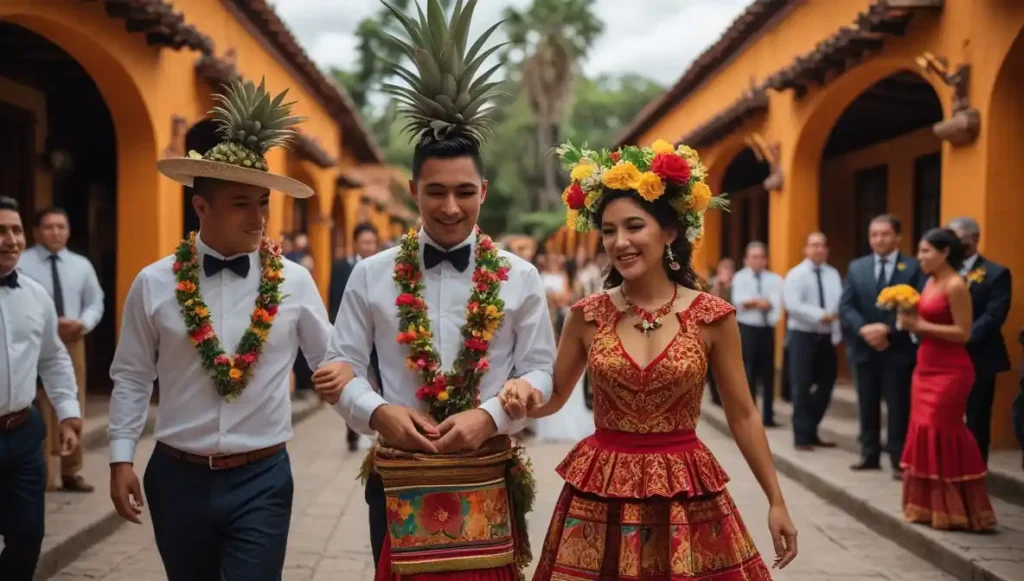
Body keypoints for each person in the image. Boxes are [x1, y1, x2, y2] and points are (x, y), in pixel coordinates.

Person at [313, 3, 557, 578]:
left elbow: (541, 371)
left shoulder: (520, 276)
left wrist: (493, 414)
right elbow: (339, 364)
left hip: (488, 471)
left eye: (465, 192)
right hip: (397, 471)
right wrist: (377, 412)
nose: (452, 208)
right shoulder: (371, 274)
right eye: (436, 192)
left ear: (484, 190)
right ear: (412, 189)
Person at [502, 138, 797, 579]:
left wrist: (776, 500)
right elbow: (555, 395)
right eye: (608, 230)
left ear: (670, 232)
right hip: (600, 492)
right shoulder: (586, 316)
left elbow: (744, 414)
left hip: (684, 493)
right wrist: (519, 392)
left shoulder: (712, 317)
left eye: (634, 226)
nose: (619, 242)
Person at [107, 78, 341, 581]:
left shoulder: (296, 283)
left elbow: (334, 366)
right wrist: (120, 457)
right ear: (201, 206)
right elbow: (130, 376)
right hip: (175, 476)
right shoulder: (153, 283)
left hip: (262, 477)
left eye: (264, 203)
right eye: (242, 203)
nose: (258, 218)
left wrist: (381, 422)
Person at [0, 196, 82, 581]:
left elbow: (52, 358)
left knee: (28, 535)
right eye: (1, 231)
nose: (11, 239)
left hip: (22, 433)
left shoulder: (35, 295)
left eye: (16, 230)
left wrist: (68, 412)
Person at [896, 228, 997, 531]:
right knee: (922, 428)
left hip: (951, 369)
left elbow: (964, 333)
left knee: (944, 428)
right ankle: (928, 506)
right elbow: (923, 324)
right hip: (924, 365)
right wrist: (907, 320)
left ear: (944, 253)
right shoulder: (929, 282)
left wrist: (919, 324)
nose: (920, 257)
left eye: (926, 251)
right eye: (920, 251)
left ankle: (960, 507)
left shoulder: (956, 285)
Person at [16, 206, 104, 492]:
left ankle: (71, 471)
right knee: (38, 403)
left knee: (72, 400)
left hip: (72, 340)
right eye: (49, 227)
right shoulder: (21, 263)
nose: (56, 232)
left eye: (61, 227)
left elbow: (96, 301)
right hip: (33, 340)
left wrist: (82, 323)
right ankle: (41, 472)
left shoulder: (81, 265)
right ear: (36, 232)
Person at [840, 214, 923, 479]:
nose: (879, 239)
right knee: (867, 402)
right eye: (874, 234)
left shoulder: (912, 267)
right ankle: (869, 454)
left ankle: (898, 457)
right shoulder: (857, 267)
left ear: (897, 237)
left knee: (899, 404)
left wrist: (889, 328)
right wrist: (865, 329)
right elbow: (847, 305)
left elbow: (918, 303)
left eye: (885, 234)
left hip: (897, 347)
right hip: (864, 347)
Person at [947, 217, 1012, 464]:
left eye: (959, 241)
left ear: (974, 239)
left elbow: (994, 315)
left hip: (979, 356)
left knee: (977, 417)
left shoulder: (996, 273)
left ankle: (974, 471)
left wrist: (962, 337)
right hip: (946, 356)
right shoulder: (944, 270)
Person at [783, 232, 842, 450]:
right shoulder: (796, 275)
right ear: (806, 249)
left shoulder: (833, 274)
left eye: (822, 245)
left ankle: (812, 427)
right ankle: (802, 436)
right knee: (802, 386)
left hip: (826, 337)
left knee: (827, 384)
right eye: (814, 245)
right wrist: (819, 315)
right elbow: (792, 304)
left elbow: (837, 305)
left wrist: (836, 333)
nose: (819, 249)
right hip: (803, 336)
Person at [328, 222, 382, 452]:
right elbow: (334, 298)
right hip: (352, 334)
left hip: (377, 338)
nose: (368, 246)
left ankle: (379, 426)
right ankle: (352, 431)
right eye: (364, 242)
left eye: (372, 242)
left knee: (376, 381)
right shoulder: (341, 267)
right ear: (356, 243)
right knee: (352, 381)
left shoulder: (383, 268)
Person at [731, 241, 783, 427]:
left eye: (761, 257)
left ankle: (768, 416)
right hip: (747, 329)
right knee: (749, 372)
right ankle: (750, 415)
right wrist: (759, 303)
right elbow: (739, 301)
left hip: (767, 329)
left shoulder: (775, 279)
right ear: (746, 259)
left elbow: (776, 304)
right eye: (754, 257)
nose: (758, 261)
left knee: (767, 373)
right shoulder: (740, 277)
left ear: (766, 260)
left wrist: (754, 303)